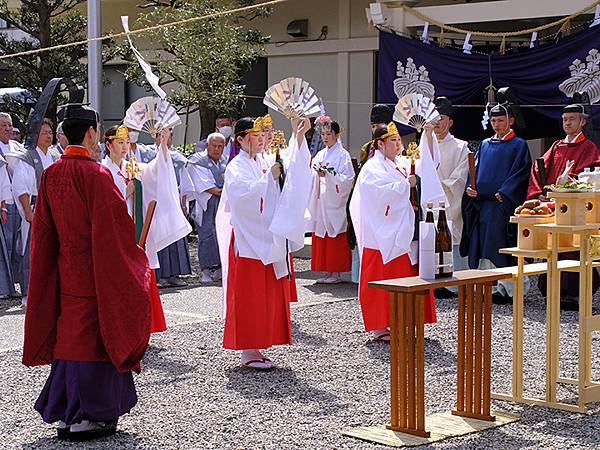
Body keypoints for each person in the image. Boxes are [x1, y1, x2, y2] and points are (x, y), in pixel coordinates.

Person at [22, 104, 152, 441]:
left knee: (70, 336)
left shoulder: (52, 173)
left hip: (65, 270)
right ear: (92, 133)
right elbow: (113, 230)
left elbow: (44, 234)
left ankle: (68, 413)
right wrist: (132, 260)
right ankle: (86, 414)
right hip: (96, 273)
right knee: (94, 339)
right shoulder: (96, 175)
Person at [216, 116, 312, 370]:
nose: (260, 141)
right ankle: (248, 350)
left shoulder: (263, 160)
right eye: (255, 136)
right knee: (251, 295)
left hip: (266, 236)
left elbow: (290, 168)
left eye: (262, 136)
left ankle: (259, 345)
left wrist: (298, 137)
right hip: (249, 239)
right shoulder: (237, 166)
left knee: (264, 294)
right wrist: (267, 180)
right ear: (241, 139)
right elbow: (242, 198)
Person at [350, 122, 437, 341]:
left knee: (409, 274)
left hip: (404, 226)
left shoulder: (401, 162)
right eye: (393, 141)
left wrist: (427, 134)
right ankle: (380, 325)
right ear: (380, 144)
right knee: (383, 276)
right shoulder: (372, 167)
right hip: (382, 232)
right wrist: (403, 187)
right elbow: (375, 195)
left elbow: (428, 164)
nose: (398, 145)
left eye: (399, 140)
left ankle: (407, 320)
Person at [528, 104, 600, 309]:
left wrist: (568, 184)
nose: (567, 123)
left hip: (574, 209)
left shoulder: (589, 148)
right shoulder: (557, 146)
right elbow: (538, 168)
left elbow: (590, 176)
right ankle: (553, 291)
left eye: (572, 119)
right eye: (565, 119)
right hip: (552, 205)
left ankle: (574, 294)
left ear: (582, 122)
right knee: (552, 248)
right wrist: (540, 193)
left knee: (573, 248)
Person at [460, 104, 532, 304]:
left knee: (501, 244)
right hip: (483, 203)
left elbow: (521, 172)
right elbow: (473, 169)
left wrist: (506, 192)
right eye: (493, 121)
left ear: (511, 121)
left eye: (501, 120)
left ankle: (507, 288)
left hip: (502, 204)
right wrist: (470, 187)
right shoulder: (484, 144)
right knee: (482, 243)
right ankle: (487, 286)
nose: (497, 124)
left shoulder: (518, 144)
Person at [7, 118, 61, 306]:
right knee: (32, 251)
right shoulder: (27, 157)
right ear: (35, 135)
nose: (49, 135)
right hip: (35, 208)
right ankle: (29, 293)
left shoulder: (54, 157)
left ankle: (50, 292)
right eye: (45, 132)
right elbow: (20, 187)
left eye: (50, 132)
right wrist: (28, 214)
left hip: (54, 209)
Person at [308, 118, 355, 284]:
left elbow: (347, 179)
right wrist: (317, 174)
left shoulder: (343, 155)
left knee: (335, 232)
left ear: (337, 134)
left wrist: (329, 176)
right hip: (322, 199)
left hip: (335, 201)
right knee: (322, 232)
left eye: (329, 134)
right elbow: (312, 173)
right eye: (323, 134)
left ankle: (336, 272)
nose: (325, 137)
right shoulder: (320, 154)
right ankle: (327, 270)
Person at [432, 97, 469, 298]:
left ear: (450, 122)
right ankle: (434, 279)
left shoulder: (460, 147)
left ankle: (453, 283)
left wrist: (441, 186)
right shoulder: (425, 145)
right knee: (432, 238)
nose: (438, 122)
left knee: (451, 237)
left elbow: (461, 175)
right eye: (435, 118)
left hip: (449, 199)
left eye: (442, 118)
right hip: (430, 201)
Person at [148, 128, 192, 288]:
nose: (167, 138)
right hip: (155, 200)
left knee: (175, 236)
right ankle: (158, 275)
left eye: (170, 135)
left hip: (173, 200)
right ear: (155, 136)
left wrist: (184, 202)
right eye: (162, 135)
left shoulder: (178, 158)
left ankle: (175, 273)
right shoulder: (146, 153)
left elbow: (185, 183)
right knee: (157, 236)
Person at [182, 132, 227, 283]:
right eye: (214, 146)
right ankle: (206, 270)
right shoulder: (197, 161)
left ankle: (221, 267)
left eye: (220, 146)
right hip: (206, 202)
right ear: (207, 146)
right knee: (207, 235)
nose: (217, 149)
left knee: (223, 233)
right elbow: (205, 186)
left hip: (222, 201)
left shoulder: (224, 161)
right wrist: (226, 192)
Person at [0, 112, 21, 297]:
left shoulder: (17, 147)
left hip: (19, 200)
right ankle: (4, 288)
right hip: (5, 202)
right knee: (4, 244)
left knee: (17, 243)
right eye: (3, 126)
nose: (8, 129)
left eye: (9, 125)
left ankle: (15, 283)